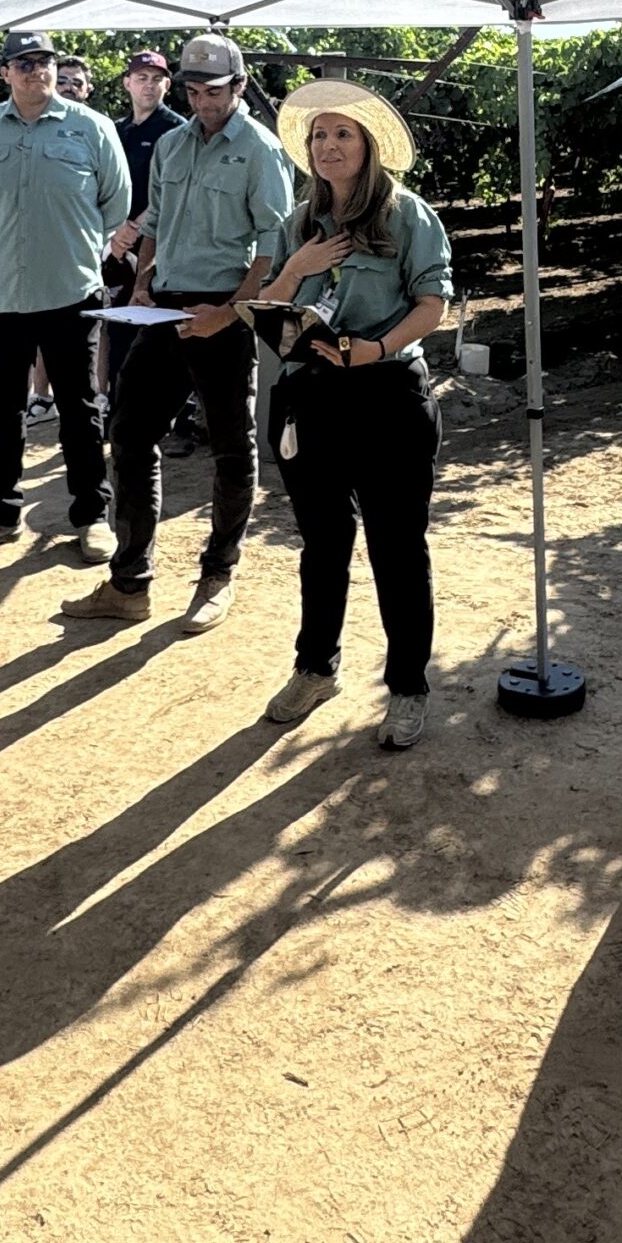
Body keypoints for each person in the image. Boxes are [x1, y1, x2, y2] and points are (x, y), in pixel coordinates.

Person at [245, 80, 454, 747]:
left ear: (367, 146)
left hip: (387, 396)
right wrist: (297, 267)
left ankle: (408, 687)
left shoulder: (407, 215)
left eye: (343, 134)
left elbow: (433, 305)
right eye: (319, 135)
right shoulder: (295, 225)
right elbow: (269, 315)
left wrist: (377, 349)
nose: (329, 145)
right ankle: (315, 668)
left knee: (397, 548)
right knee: (323, 544)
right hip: (311, 399)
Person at [64, 31, 293, 633]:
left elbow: (275, 246)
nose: (202, 101)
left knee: (230, 445)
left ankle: (218, 573)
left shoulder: (262, 152)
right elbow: (157, 223)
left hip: (222, 314)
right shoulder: (171, 145)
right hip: (163, 309)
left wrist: (232, 312)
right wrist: (142, 282)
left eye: (214, 91)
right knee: (131, 433)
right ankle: (130, 580)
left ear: (240, 87)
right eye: (193, 90)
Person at [0, 32, 127, 564]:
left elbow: (114, 204)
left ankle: (93, 517)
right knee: (3, 409)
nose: (36, 71)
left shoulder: (92, 129)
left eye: (44, 62)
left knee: (79, 406)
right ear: (5, 73)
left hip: (68, 290)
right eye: (23, 63)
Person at [105, 47, 193, 441]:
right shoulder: (115, 130)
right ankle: (121, 412)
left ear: (167, 85)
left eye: (157, 78)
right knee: (120, 327)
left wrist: (134, 229)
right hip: (113, 247)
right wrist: (112, 234)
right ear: (127, 82)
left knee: (167, 326)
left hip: (158, 243)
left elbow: (170, 193)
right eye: (141, 77)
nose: (149, 84)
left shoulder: (176, 131)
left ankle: (179, 423)